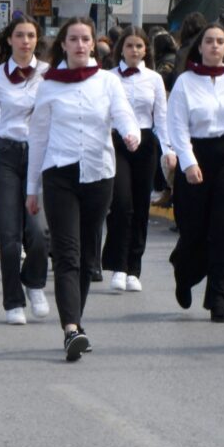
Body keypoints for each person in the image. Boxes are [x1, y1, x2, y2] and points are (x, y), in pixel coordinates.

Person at [26, 17, 139, 359]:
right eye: (72, 39)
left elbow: (122, 113)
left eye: (85, 39)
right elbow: (39, 137)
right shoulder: (48, 85)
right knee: (67, 253)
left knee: (89, 255)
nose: (79, 45)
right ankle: (71, 329)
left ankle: (76, 319)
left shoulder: (107, 82)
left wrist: (130, 132)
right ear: (63, 44)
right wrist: (32, 188)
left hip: (98, 174)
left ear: (93, 44)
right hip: (59, 173)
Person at [168, 24, 224, 323]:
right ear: (200, 47)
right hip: (196, 154)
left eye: (220, 41)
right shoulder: (185, 83)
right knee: (195, 229)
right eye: (209, 41)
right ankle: (184, 269)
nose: (215, 46)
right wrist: (188, 162)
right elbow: (176, 126)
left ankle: (219, 297)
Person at [0, 16, 52, 325]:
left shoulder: (48, 74)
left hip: (40, 153)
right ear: (9, 40)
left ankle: (34, 282)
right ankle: (13, 301)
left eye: (30, 35)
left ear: (37, 40)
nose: (25, 41)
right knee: (9, 235)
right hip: (5, 154)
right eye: (19, 35)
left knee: (39, 231)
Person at [100, 27, 174, 293]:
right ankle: (117, 266)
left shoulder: (154, 78)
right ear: (121, 49)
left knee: (141, 205)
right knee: (121, 203)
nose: (134, 50)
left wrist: (168, 149)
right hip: (115, 141)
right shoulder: (106, 78)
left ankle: (134, 268)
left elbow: (162, 117)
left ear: (146, 50)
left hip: (145, 143)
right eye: (129, 46)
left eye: (139, 46)